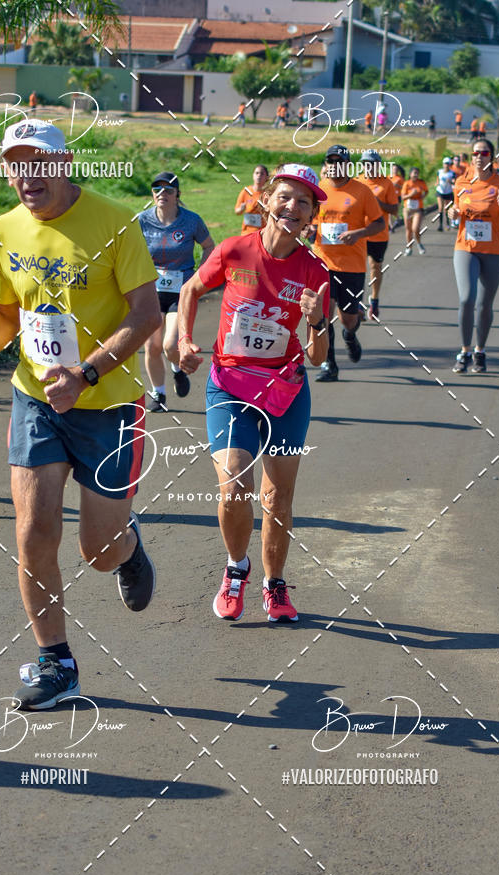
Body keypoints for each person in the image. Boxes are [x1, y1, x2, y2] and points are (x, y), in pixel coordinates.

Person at [0, 119, 161, 710]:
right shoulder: (3, 231)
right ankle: (56, 662)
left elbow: (146, 316)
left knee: (97, 551)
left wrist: (87, 372)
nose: (25, 175)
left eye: (37, 162)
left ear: (63, 165)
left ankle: (125, 546)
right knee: (34, 532)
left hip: (109, 404)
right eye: (15, 164)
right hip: (36, 399)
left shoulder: (114, 221)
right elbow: (3, 315)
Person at [177, 163, 330, 622]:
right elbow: (189, 290)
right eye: (285, 197)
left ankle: (274, 584)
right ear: (267, 201)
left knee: (278, 497)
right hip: (230, 384)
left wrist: (316, 320)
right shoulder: (234, 249)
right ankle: (235, 569)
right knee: (234, 484)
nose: (293, 207)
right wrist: (184, 339)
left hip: (284, 391)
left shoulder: (313, 270)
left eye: (303, 203)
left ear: (309, 218)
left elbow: (319, 356)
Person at [138, 171, 214, 412]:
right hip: (150, 289)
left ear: (177, 195)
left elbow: (209, 246)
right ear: (152, 194)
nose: (162, 194)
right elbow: (126, 249)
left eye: (168, 190)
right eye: (157, 189)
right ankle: (158, 394)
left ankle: (177, 369)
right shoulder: (141, 220)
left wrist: (199, 276)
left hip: (180, 290)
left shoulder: (191, 221)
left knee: (170, 345)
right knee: (151, 347)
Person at [308, 145, 384, 382]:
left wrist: (359, 233)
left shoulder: (361, 191)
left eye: (338, 161)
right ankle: (329, 364)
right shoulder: (318, 189)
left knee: (348, 318)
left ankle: (350, 336)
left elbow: (379, 224)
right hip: (322, 261)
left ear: (347, 165)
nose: (333, 165)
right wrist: (309, 228)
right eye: (329, 161)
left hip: (352, 265)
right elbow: (311, 219)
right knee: (323, 314)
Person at [449, 138, 499, 374]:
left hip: (494, 250)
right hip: (466, 248)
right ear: (471, 157)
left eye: (484, 153)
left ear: (491, 157)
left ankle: (480, 351)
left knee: (484, 305)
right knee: (466, 299)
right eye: (475, 153)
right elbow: (455, 215)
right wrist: (452, 213)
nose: (479, 156)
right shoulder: (462, 182)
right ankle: (464, 350)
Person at [357, 149, 398, 321]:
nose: (368, 166)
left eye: (371, 163)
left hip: (379, 234)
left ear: (378, 165)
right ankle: (357, 302)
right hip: (359, 233)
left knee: (375, 268)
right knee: (358, 269)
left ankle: (374, 300)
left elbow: (395, 209)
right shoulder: (357, 181)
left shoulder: (386, 183)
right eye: (365, 163)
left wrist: (378, 203)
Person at [234, 164, 269, 236]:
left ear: (266, 177)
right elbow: (237, 211)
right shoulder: (246, 191)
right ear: (253, 175)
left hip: (262, 233)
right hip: (246, 233)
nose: (259, 175)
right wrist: (241, 209)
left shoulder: (268, 194)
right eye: (257, 173)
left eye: (262, 174)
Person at [401, 167, 428, 255]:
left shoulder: (421, 182)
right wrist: (411, 195)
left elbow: (426, 191)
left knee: (415, 228)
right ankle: (409, 248)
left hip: (417, 209)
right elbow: (403, 197)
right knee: (408, 230)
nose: (416, 175)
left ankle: (419, 244)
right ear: (410, 174)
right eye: (414, 173)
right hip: (407, 210)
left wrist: (422, 197)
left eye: (417, 173)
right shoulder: (406, 183)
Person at [436, 156, 456, 232]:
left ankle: (447, 224)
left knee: (446, 209)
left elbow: (454, 181)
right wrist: (437, 183)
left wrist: (450, 182)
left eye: (448, 164)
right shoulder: (439, 171)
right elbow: (437, 179)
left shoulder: (452, 173)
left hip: (448, 192)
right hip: (440, 191)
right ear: (443, 164)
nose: (446, 165)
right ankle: (440, 225)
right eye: (445, 163)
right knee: (440, 208)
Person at [389, 163, 405, 233]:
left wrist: (397, 185)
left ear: (398, 170)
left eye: (396, 169)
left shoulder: (400, 178)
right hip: (390, 196)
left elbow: (404, 188)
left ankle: (398, 218)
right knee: (389, 213)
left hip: (397, 196)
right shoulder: (388, 177)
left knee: (394, 212)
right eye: (393, 169)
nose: (394, 170)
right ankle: (391, 227)